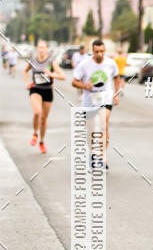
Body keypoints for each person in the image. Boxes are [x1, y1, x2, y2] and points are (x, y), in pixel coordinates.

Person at [72, 38, 121, 169]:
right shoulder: (84, 64)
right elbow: (74, 82)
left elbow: (117, 78)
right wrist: (84, 85)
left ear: (105, 50)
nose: (99, 54)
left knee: (103, 125)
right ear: (92, 51)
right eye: (96, 51)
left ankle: (103, 156)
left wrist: (116, 94)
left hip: (105, 97)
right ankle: (94, 152)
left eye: (102, 51)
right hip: (89, 100)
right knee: (91, 130)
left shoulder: (111, 63)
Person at [23, 39, 65, 153]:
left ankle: (41, 141)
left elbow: (63, 76)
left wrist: (52, 74)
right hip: (35, 89)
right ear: (37, 49)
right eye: (39, 47)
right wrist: (27, 83)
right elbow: (25, 71)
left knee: (43, 119)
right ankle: (35, 134)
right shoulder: (33, 60)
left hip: (47, 91)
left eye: (43, 47)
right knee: (37, 112)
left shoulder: (51, 62)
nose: (41, 50)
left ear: (47, 49)